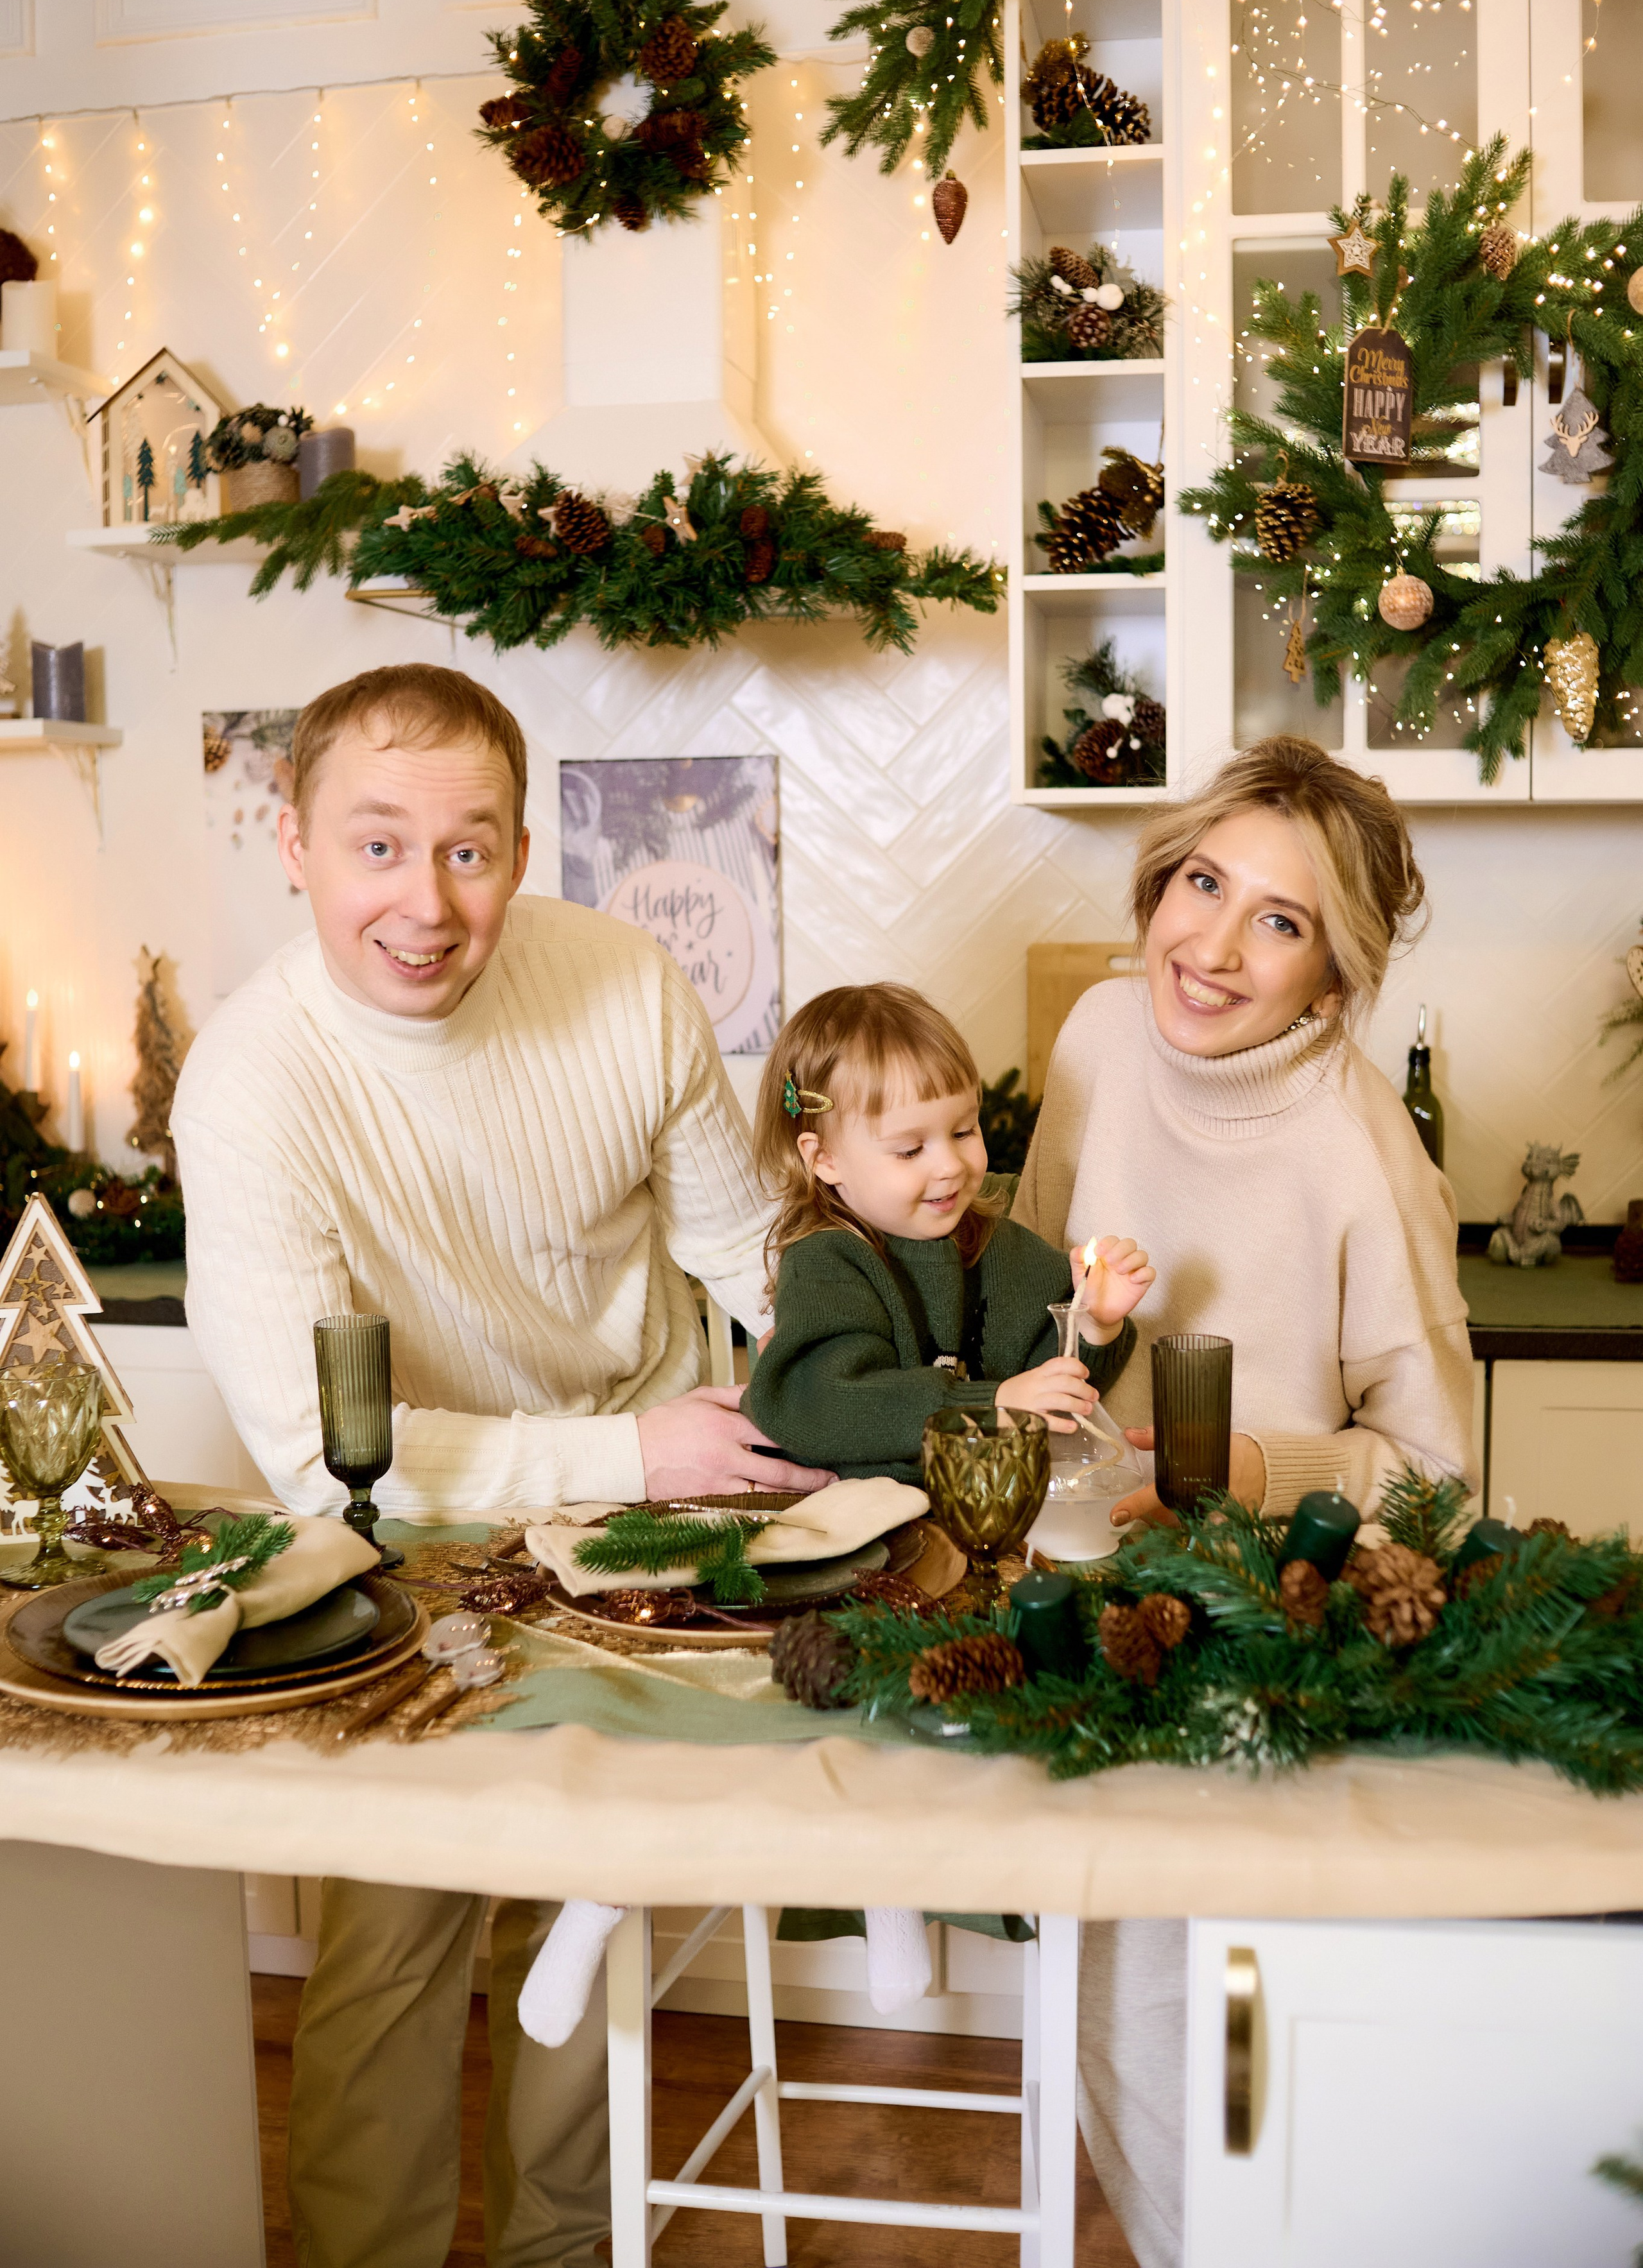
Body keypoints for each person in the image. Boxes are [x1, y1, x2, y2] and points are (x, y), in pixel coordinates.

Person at [173, 663, 828, 2268]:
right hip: (400, 1548)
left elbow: (755, 1256)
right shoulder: (254, 1083)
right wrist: (637, 1439)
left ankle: (564, 2249)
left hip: (637, 1541)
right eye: (377, 846)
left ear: (522, 852)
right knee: (390, 1939)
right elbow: (324, 1458)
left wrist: (871, 1371)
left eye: (468, 848)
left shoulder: (624, 981)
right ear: (295, 844)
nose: (425, 898)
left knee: (576, 1929)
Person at [1012, 736, 1479, 2268]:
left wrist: (1240, 1473)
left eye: (1274, 921)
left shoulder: (1361, 1149)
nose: (1208, 946)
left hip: (1263, 1631)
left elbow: (1438, 1479)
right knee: (1113, 2011)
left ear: (1331, 980)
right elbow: (1033, 1311)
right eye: (1200, 883)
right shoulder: (1091, 1035)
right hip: (1089, 1601)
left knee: (1226, 2024)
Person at [744, 982, 1155, 1477]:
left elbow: (1057, 1402)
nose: (951, 1166)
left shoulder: (1001, 1243)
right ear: (825, 1159)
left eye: (964, 1131)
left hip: (987, 1512)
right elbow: (824, 1405)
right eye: (910, 1150)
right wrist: (991, 1403)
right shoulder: (827, 1261)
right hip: (860, 1524)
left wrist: (1091, 1326)